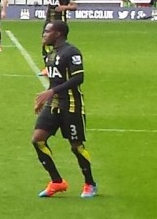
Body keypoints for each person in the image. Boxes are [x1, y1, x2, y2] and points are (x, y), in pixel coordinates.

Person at [32, 20, 96, 199]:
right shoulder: (51, 54)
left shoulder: (71, 52)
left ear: (58, 33)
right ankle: (57, 181)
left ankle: (90, 183)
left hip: (71, 105)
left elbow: (78, 79)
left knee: (76, 146)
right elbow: (55, 81)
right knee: (37, 140)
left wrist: (51, 91)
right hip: (53, 104)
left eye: (47, 31)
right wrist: (45, 97)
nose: (44, 34)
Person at [41, 0, 77, 76]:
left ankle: (61, 66)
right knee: (45, 43)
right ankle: (48, 67)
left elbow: (74, 6)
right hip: (49, 22)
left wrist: (64, 7)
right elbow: (50, 5)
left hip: (60, 23)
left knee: (59, 45)